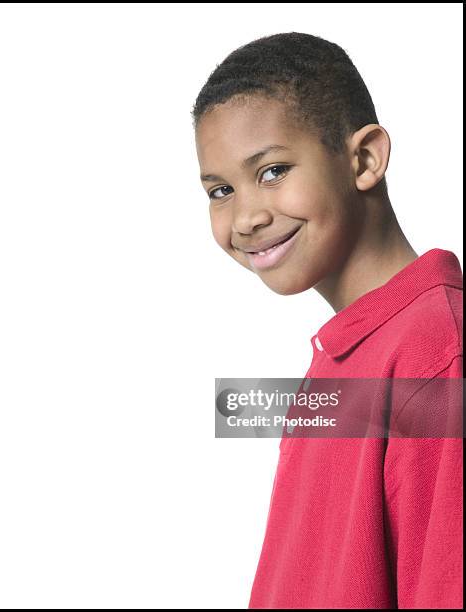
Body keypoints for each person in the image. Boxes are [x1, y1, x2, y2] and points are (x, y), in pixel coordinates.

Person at [192, 32, 463, 609]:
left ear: (364, 159)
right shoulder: (346, 354)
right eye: (220, 190)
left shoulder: (437, 355)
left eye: (272, 171)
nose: (245, 217)